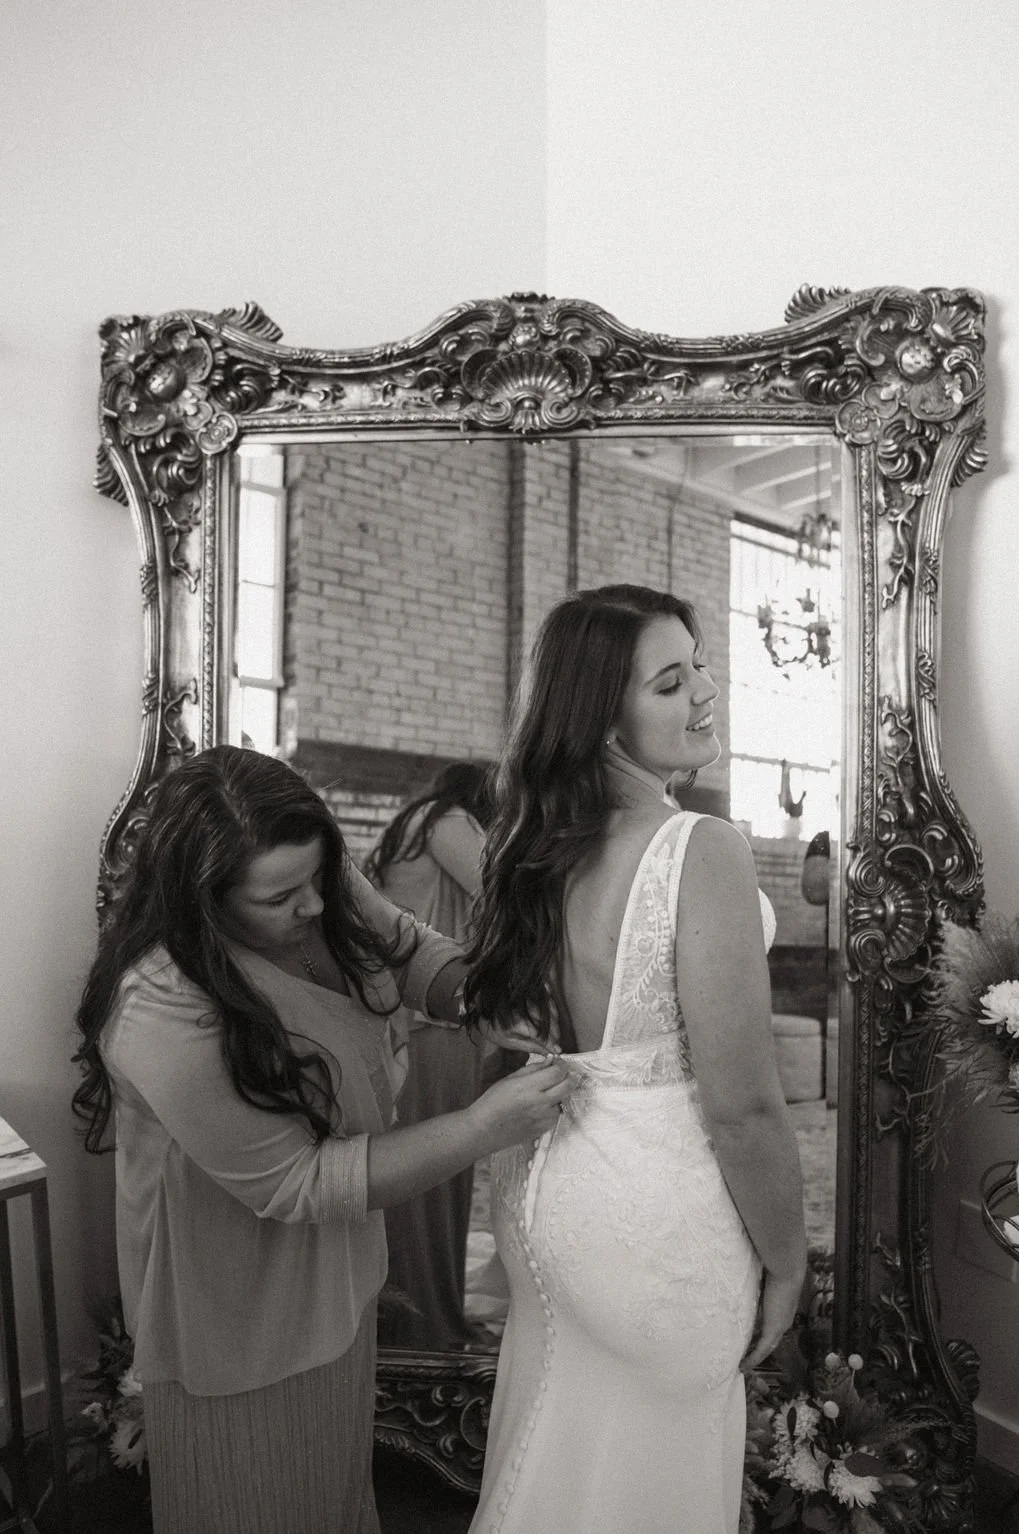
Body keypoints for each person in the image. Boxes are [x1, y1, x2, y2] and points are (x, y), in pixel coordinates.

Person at [70, 746, 571, 1534]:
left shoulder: (318, 886)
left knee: (332, 1494)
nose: (313, 904)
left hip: (334, 1278)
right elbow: (297, 1182)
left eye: (318, 879)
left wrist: (475, 995)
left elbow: (406, 949)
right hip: (235, 1305)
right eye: (279, 897)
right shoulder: (160, 1004)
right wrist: (483, 1126)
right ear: (201, 898)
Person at [461, 585, 808, 1534]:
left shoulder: (538, 849)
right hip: (662, 1215)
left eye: (698, 661)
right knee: (659, 1482)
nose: (705, 689)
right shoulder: (701, 848)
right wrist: (786, 1261)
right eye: (669, 680)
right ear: (602, 723)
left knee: (566, 1445)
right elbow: (742, 1106)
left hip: (557, 1194)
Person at [365, 761, 496, 1349]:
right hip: (431, 1022)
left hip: (417, 1020)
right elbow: (500, 887)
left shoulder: (414, 822)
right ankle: (426, 1325)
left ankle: (431, 1312)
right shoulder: (446, 821)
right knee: (434, 1176)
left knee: (440, 1175)